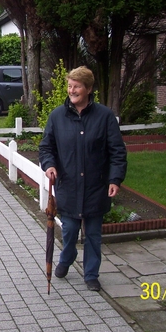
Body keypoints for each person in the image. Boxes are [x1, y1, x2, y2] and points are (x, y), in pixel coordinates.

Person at [38, 66, 127, 292]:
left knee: (93, 235)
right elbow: (46, 147)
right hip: (68, 185)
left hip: (96, 187)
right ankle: (67, 258)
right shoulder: (57, 116)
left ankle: (91, 274)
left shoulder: (104, 116)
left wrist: (114, 179)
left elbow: (117, 151)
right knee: (68, 231)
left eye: (77, 86)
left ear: (88, 89)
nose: (72, 90)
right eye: (69, 86)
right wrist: (49, 165)